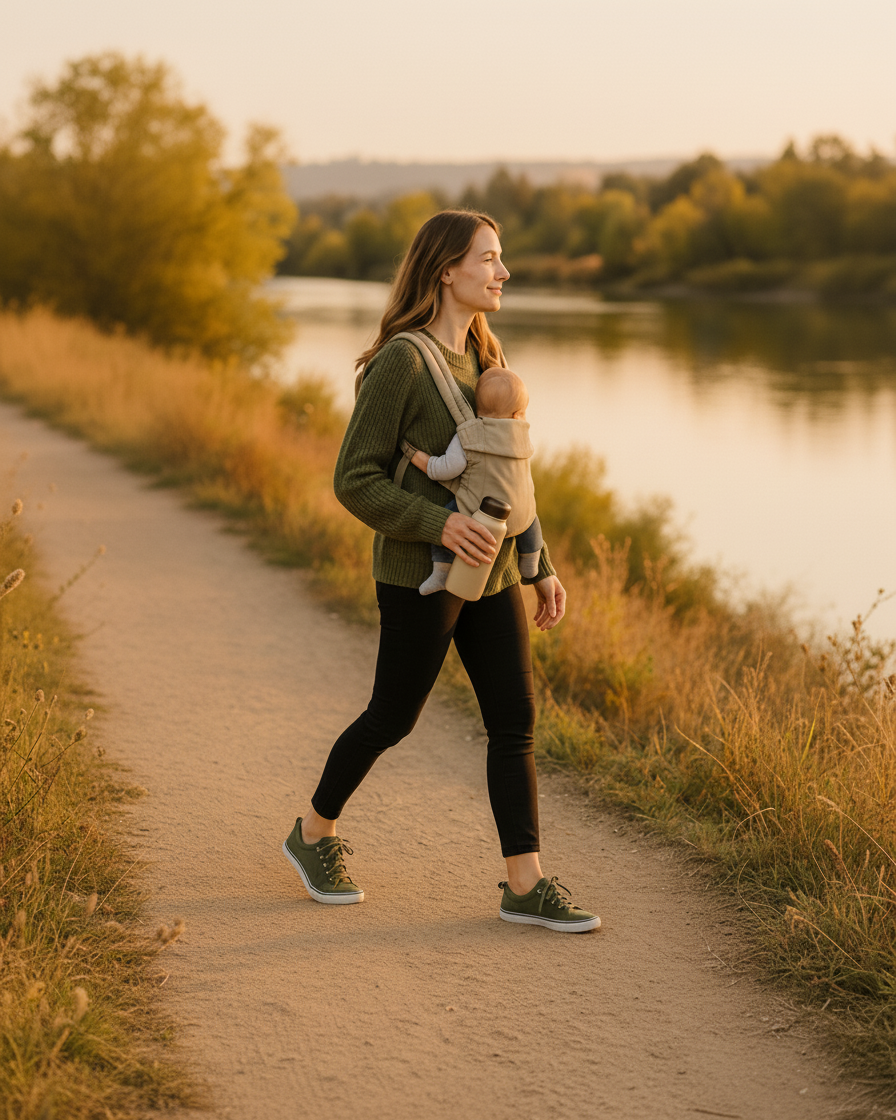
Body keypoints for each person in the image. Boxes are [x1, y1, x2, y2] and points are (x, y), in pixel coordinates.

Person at [282, 210, 600, 933]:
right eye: (489, 258)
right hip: (417, 572)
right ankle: (312, 834)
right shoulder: (402, 361)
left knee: (514, 722)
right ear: (445, 271)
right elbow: (353, 480)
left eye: (501, 258)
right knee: (393, 718)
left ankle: (525, 884)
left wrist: (540, 565)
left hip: (493, 579)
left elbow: (511, 475)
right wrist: (439, 522)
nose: (503, 271)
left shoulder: (491, 359)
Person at [411, 365, 544, 595]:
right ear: (516, 415)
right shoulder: (523, 435)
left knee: (444, 520)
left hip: (480, 514)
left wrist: (424, 461)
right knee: (531, 519)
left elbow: (449, 468)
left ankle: (442, 572)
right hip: (522, 513)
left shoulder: (469, 433)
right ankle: (530, 560)